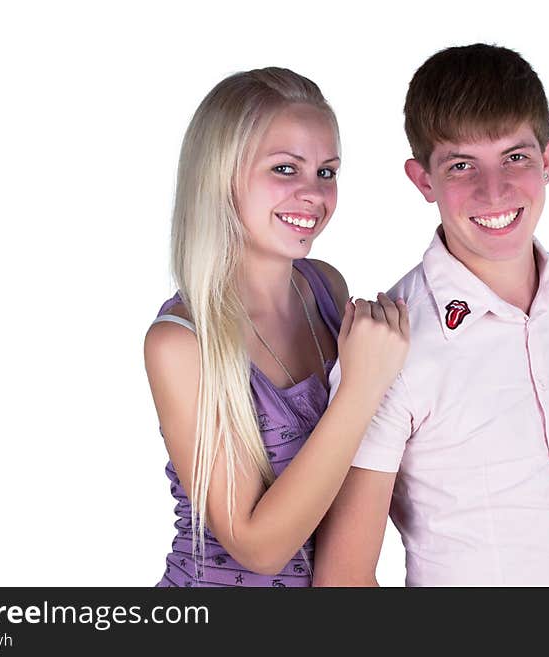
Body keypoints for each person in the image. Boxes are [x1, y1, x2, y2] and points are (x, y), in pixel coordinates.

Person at [313, 44, 549, 586]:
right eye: (461, 165)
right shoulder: (391, 342)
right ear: (423, 180)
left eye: (515, 157)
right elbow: (345, 577)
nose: (493, 191)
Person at [144, 67, 410, 587]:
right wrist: (361, 389)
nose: (313, 194)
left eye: (326, 173)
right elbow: (258, 547)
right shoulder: (180, 343)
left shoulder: (325, 290)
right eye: (286, 169)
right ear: (221, 176)